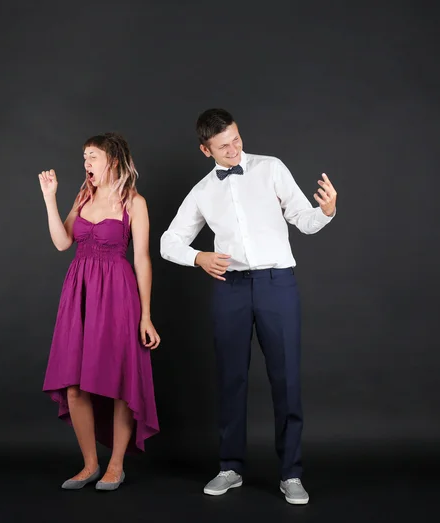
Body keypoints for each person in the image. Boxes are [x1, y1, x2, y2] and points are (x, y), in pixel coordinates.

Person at [160, 108, 337, 505]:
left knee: (286, 379)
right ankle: (230, 466)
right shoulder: (203, 192)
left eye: (237, 139)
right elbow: (168, 241)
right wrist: (199, 258)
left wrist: (324, 212)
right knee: (231, 380)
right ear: (205, 150)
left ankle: (291, 473)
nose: (235, 149)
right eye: (224, 147)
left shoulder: (271, 168)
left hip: (277, 284)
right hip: (231, 289)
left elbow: (302, 219)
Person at [39, 132, 160, 491]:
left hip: (118, 295)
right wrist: (50, 199)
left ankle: (116, 465)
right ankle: (90, 463)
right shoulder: (82, 197)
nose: (86, 164)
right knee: (74, 384)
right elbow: (63, 243)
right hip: (79, 294)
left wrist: (146, 315)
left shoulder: (134, 202)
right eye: (85, 158)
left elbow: (141, 259)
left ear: (114, 159)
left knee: (122, 382)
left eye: (92, 157)